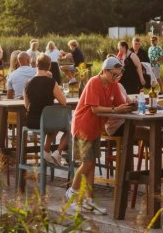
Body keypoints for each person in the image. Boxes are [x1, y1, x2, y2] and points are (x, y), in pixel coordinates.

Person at [67, 56, 134, 214]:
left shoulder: (114, 85)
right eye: (114, 74)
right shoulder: (94, 82)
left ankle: (89, 201)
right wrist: (115, 110)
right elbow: (95, 109)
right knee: (87, 164)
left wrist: (129, 105)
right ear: (104, 71)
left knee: (91, 165)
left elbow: (118, 103)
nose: (116, 77)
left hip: (96, 128)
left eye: (119, 74)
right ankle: (71, 193)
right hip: (83, 126)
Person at [25, 54, 69, 166]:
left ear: (36, 65)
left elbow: (27, 105)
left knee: (53, 123)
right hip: (48, 122)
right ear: (49, 67)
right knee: (69, 127)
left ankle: (46, 150)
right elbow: (64, 102)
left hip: (32, 122)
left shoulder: (28, 83)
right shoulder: (51, 82)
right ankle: (57, 152)